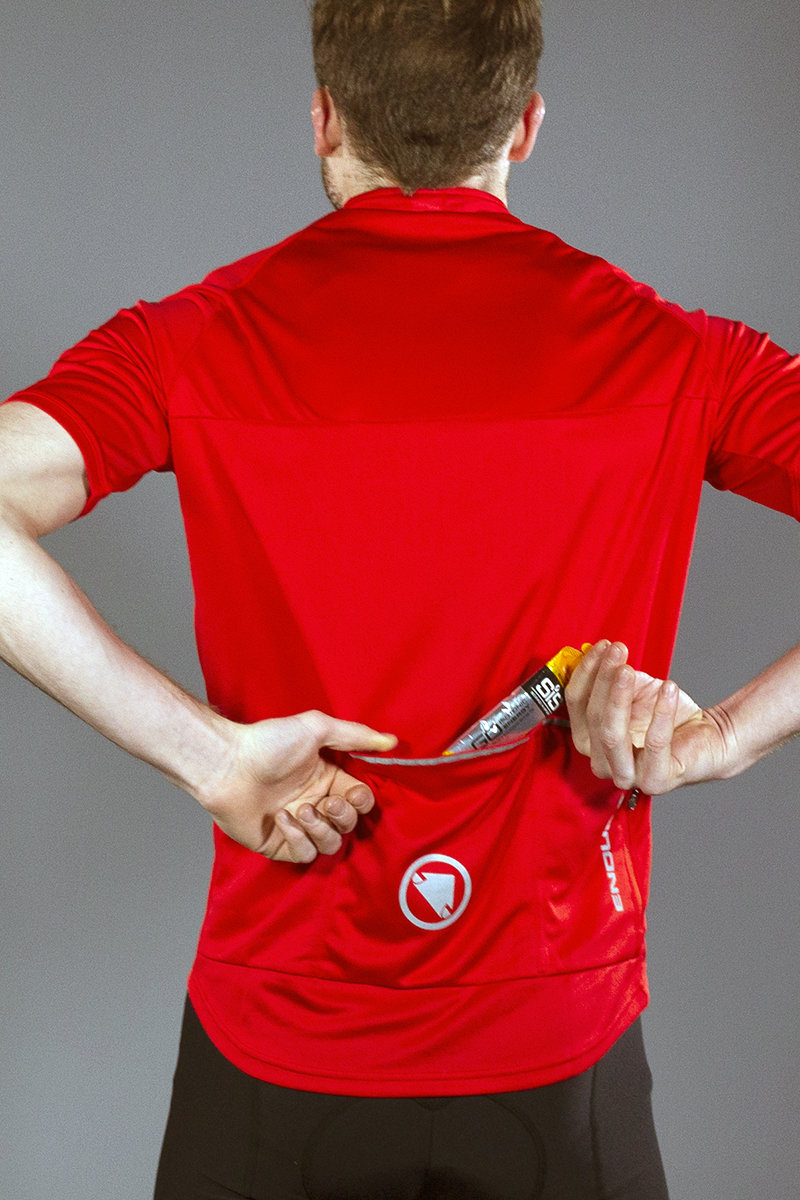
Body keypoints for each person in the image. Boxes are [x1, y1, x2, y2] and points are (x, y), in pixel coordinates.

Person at [1, 1, 798, 1197]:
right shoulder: (681, 356)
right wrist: (724, 737)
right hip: (559, 1049)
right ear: (523, 126)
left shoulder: (190, 342)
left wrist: (208, 760)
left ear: (325, 119)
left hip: (275, 1045)